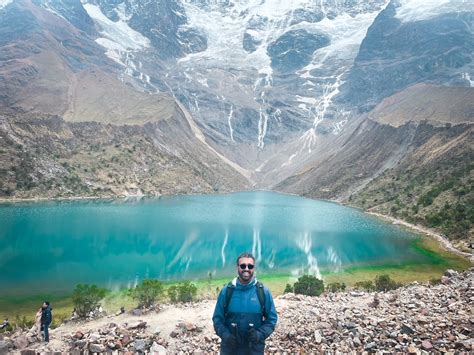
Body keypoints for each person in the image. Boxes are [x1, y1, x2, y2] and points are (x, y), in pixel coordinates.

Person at [212, 252, 278, 354]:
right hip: (230, 350)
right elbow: (217, 319)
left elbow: (272, 319)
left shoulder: (263, 292)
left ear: (253, 268)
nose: (246, 269)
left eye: (250, 266)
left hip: (254, 350)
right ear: (237, 267)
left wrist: (259, 335)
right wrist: (226, 336)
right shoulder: (227, 291)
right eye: (243, 265)